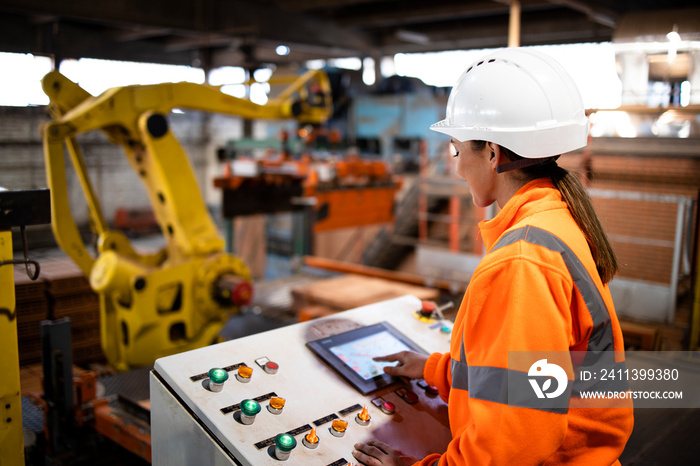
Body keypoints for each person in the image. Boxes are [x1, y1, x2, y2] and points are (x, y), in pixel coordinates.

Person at [352, 48, 634, 466]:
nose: (457, 167)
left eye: (456, 150)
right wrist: (434, 371)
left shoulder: (520, 261)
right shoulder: (559, 221)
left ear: (492, 154)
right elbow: (523, 376)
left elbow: (515, 438)